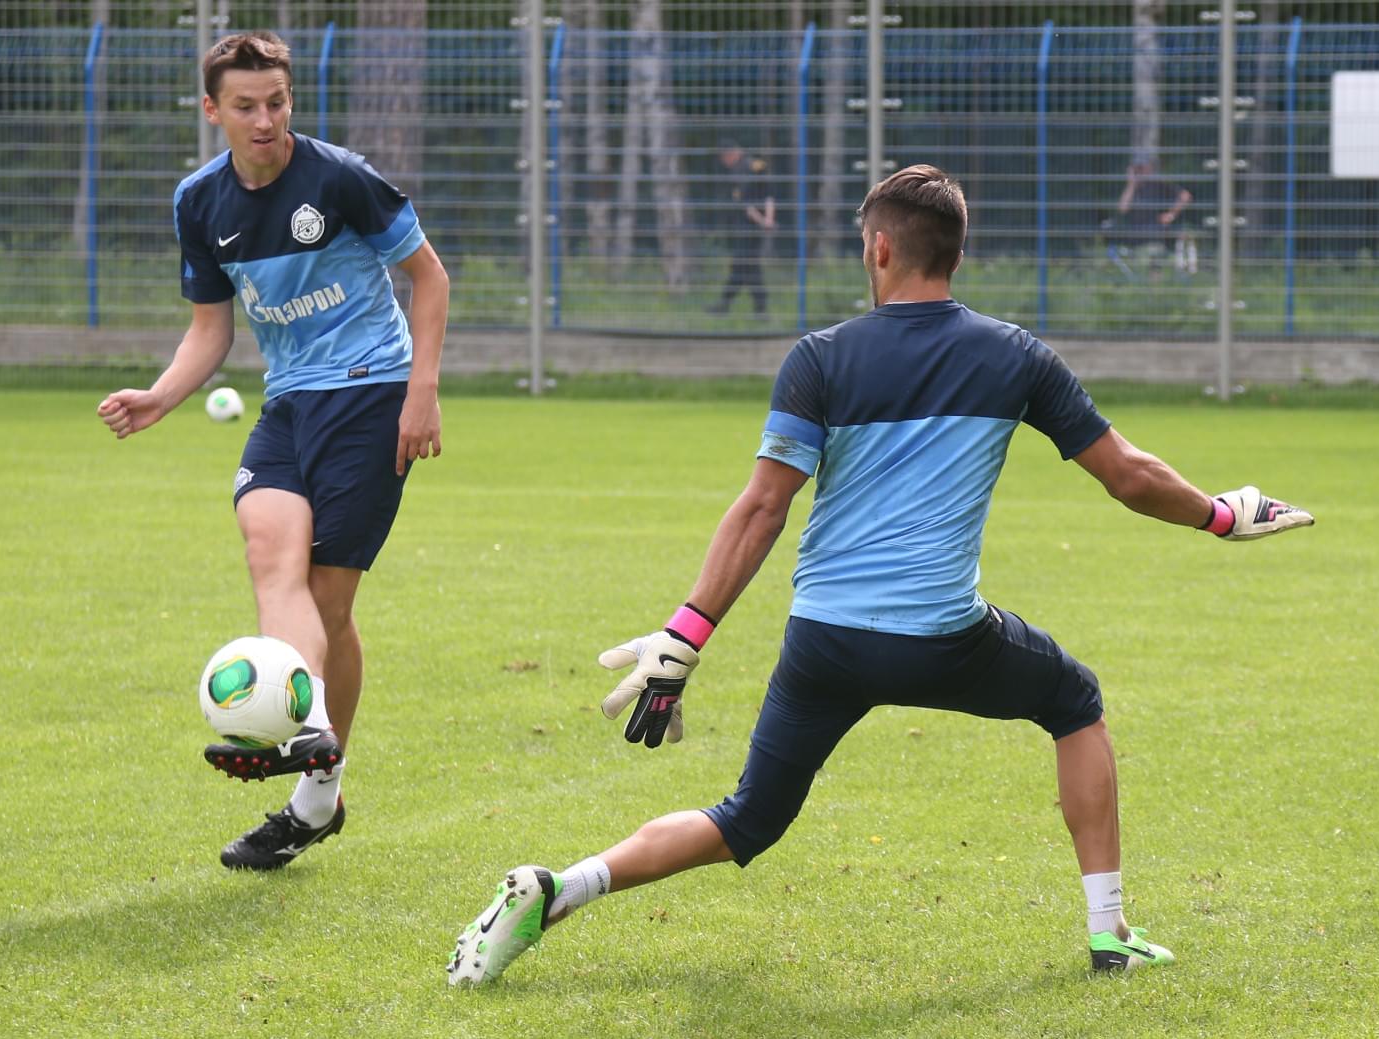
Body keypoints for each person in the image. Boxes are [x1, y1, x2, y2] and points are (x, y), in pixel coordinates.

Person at [447, 165, 1312, 987]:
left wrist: (687, 634)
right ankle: (1108, 931)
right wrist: (1221, 513)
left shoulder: (819, 358)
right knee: (1074, 701)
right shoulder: (1015, 356)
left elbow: (761, 509)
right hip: (943, 639)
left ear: (881, 249)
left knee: (748, 817)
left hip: (823, 641)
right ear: (958, 255)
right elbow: (1128, 473)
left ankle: (561, 888)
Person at [96, 31, 450, 871]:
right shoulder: (199, 203)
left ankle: (313, 792)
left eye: (278, 102)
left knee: (328, 600)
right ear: (212, 110)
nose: (265, 120)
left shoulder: (340, 179)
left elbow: (429, 278)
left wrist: (422, 390)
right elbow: (210, 328)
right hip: (287, 405)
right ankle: (311, 731)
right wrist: (160, 394)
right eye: (246, 106)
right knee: (270, 559)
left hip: (370, 394)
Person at [707, 141, 776, 317]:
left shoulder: (740, 171)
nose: (725, 162)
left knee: (746, 267)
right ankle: (731, 305)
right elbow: (769, 196)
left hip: (746, 228)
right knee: (744, 267)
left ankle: (752, 308)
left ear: (732, 154)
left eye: (725, 158)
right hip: (754, 227)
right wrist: (768, 219)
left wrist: (763, 221)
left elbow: (747, 205)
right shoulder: (757, 166)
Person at [1114, 158, 1197, 275]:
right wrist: (1131, 184)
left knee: (1159, 246)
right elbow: (1122, 209)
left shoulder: (1159, 184)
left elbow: (1185, 196)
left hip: (1156, 230)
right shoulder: (1132, 188)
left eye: (1143, 168)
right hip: (1134, 233)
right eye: (1138, 169)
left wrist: (1171, 214)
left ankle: (1155, 278)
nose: (1141, 172)